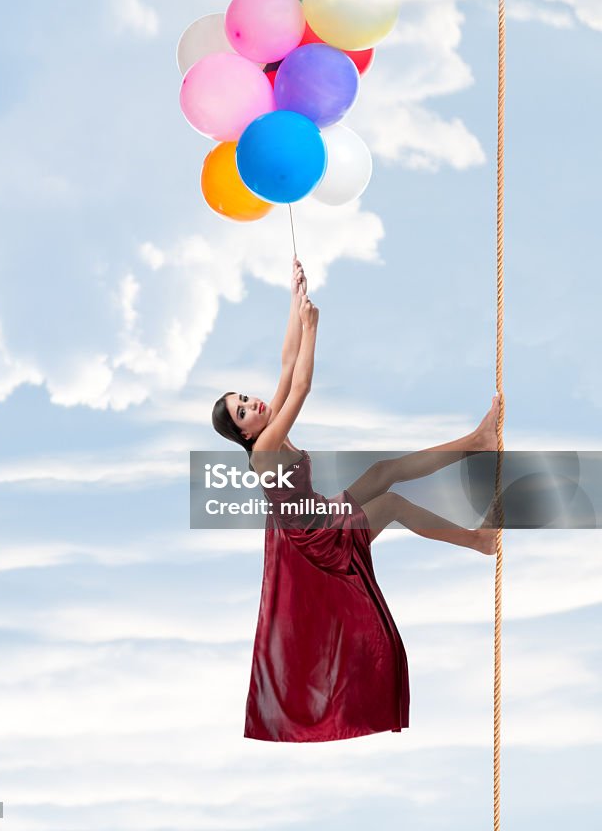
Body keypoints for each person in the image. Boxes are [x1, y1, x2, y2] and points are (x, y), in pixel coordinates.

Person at [211, 256, 500, 743]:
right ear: (243, 433)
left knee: (382, 472)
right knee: (390, 502)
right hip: (322, 543)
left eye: (245, 397)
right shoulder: (263, 449)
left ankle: (477, 441)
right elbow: (301, 385)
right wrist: (314, 328)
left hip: (321, 517)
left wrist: (293, 298)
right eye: (243, 410)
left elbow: (285, 365)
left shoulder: (269, 425)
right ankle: (478, 542)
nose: (253, 403)